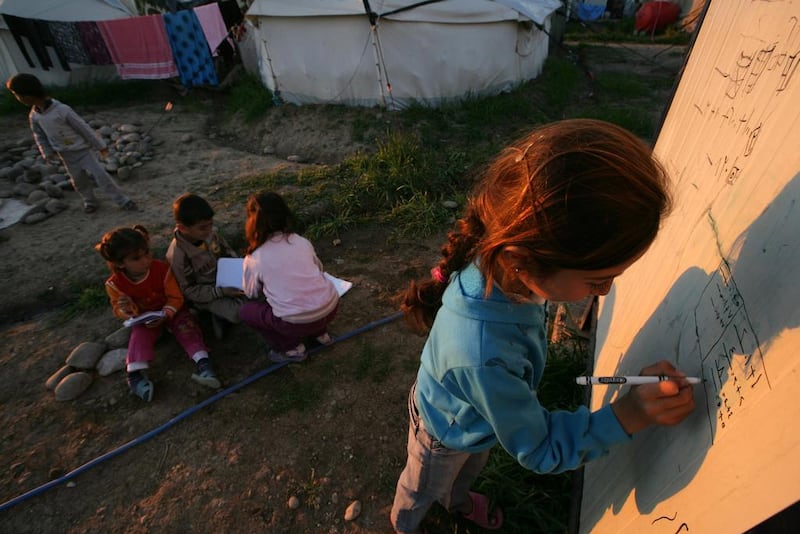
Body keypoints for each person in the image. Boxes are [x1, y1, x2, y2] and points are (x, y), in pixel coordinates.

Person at [389, 119, 697, 533]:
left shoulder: (509, 270)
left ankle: (456, 501)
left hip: (475, 418)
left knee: (468, 468)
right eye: (596, 280)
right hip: (442, 432)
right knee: (422, 485)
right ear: (525, 258)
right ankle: (405, 522)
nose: (604, 292)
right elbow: (540, 448)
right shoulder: (483, 356)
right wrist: (628, 414)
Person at [96, 225, 220, 402]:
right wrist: (126, 310)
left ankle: (204, 365)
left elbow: (175, 297)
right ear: (120, 263)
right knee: (139, 335)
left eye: (147, 253)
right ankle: (135, 376)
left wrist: (166, 313)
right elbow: (119, 309)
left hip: (172, 311)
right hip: (145, 318)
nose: (146, 260)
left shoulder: (161, 269)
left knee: (187, 326)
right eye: (136, 258)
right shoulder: (115, 285)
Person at [5, 73, 137, 214]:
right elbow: (39, 135)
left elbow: (83, 128)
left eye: (16, 94)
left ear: (27, 96)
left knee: (101, 176)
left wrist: (100, 146)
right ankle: (90, 200)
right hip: (65, 154)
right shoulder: (35, 116)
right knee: (78, 181)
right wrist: (47, 152)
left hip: (83, 151)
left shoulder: (61, 110)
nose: (17, 98)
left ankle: (122, 200)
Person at [239, 191, 338, 363]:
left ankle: (291, 348)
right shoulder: (301, 241)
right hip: (330, 308)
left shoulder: (254, 258)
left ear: (252, 223)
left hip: (295, 323)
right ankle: (321, 334)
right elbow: (319, 268)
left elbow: (251, 293)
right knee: (309, 293)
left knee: (247, 311)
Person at [166, 193, 245, 339]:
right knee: (239, 312)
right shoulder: (179, 256)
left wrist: (241, 269)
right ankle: (213, 316)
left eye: (211, 225)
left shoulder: (209, 234)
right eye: (203, 228)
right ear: (183, 228)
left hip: (227, 281)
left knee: (260, 290)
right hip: (207, 295)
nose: (209, 230)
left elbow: (227, 251)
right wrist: (220, 292)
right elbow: (189, 290)